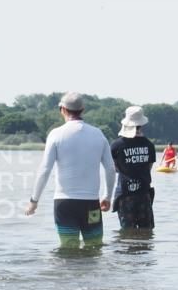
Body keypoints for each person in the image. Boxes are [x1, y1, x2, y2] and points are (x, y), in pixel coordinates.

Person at [25, 92, 116, 248]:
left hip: (64, 204)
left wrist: (34, 201)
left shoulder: (55, 135)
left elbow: (44, 170)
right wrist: (107, 196)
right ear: (83, 109)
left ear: (63, 109)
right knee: (94, 248)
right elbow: (110, 168)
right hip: (91, 204)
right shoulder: (98, 134)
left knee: (68, 249)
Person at [110, 106, 157, 229]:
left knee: (126, 234)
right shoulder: (149, 145)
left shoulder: (116, 145)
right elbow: (148, 168)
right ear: (141, 125)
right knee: (146, 233)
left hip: (125, 195)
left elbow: (114, 168)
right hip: (144, 194)